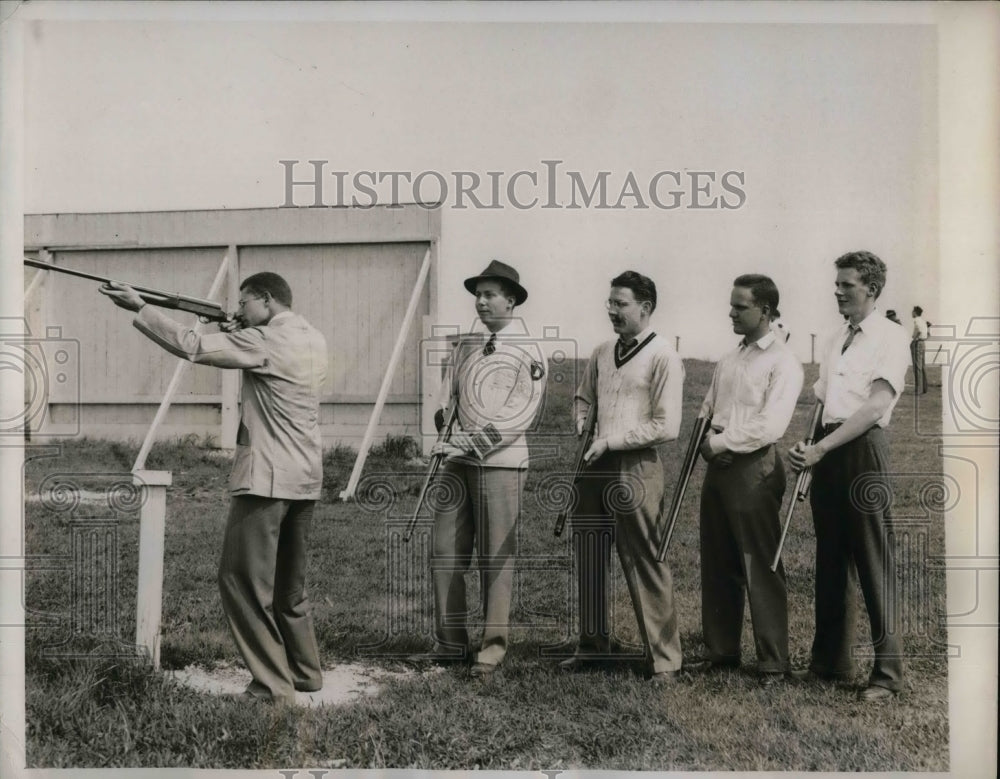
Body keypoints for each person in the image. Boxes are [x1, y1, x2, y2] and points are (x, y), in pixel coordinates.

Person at [100, 273, 328, 704]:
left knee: (240, 581)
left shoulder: (263, 340)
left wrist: (141, 308)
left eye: (244, 303)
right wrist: (240, 330)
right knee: (288, 587)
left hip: (266, 477)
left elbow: (194, 345)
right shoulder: (312, 336)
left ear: (265, 299)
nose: (239, 310)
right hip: (305, 477)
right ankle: (304, 671)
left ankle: (272, 686)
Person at [788, 250, 909, 702]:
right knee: (831, 558)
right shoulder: (835, 338)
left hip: (862, 451)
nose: (837, 291)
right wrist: (808, 444)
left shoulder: (891, 337)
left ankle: (888, 674)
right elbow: (822, 401)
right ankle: (830, 662)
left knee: (873, 559)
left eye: (847, 285)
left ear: (872, 290)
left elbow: (876, 405)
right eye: (836, 284)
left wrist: (821, 448)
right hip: (828, 450)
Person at [559, 270, 685, 684]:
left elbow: (667, 427)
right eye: (609, 302)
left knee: (644, 558)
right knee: (591, 555)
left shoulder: (664, 355)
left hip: (636, 466)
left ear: (645, 308)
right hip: (592, 464)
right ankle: (593, 647)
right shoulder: (600, 351)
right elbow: (583, 397)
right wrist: (583, 424)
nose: (611, 310)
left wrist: (612, 442)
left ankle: (664, 659)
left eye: (621, 303)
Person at [423, 260, 545, 679]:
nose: (481, 301)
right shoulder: (466, 346)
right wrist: (444, 427)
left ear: (511, 301)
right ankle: (449, 642)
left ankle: (490, 650)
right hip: (456, 461)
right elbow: (445, 399)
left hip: (500, 464)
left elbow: (517, 417)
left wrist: (466, 443)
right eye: (478, 294)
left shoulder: (527, 350)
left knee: (496, 557)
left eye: (490, 294)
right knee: (445, 551)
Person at [693, 275, 803, 688]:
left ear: (767, 312)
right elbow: (709, 404)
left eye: (741, 307)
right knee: (718, 559)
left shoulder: (782, 362)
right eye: (732, 305)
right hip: (718, 467)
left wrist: (721, 442)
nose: (731, 313)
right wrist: (708, 436)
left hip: (753, 467)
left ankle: (774, 661)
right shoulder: (730, 358)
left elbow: (771, 425)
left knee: (760, 563)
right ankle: (721, 651)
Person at [910, 305, 929, 394]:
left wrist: (914, 340)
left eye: (913, 311)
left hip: (917, 343)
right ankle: (924, 388)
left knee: (917, 367)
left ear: (915, 312)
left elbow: (919, 331)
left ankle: (918, 389)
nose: (911, 313)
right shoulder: (923, 321)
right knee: (922, 366)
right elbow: (926, 333)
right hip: (923, 343)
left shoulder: (916, 320)